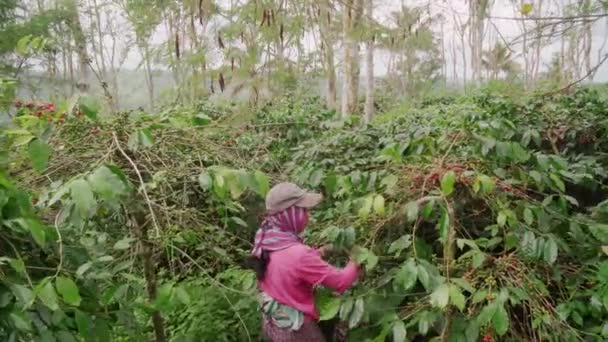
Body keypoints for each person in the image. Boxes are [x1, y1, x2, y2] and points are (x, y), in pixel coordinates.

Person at [247, 182, 360, 342]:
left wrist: (321, 252)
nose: (308, 216)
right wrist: (357, 259)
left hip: (275, 322)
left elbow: (285, 266)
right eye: (304, 210)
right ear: (290, 213)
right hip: (297, 331)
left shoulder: (267, 237)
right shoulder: (298, 254)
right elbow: (341, 281)